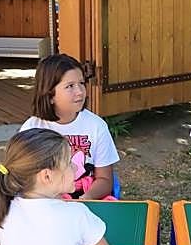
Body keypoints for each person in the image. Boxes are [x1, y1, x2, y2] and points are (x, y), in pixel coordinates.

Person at [20, 53, 119, 200]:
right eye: (70, 86)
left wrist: (85, 199)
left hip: (87, 197)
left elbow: (105, 180)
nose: (80, 92)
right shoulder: (31, 128)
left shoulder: (97, 126)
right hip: (45, 200)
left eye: (81, 83)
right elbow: (24, 179)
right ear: (50, 95)